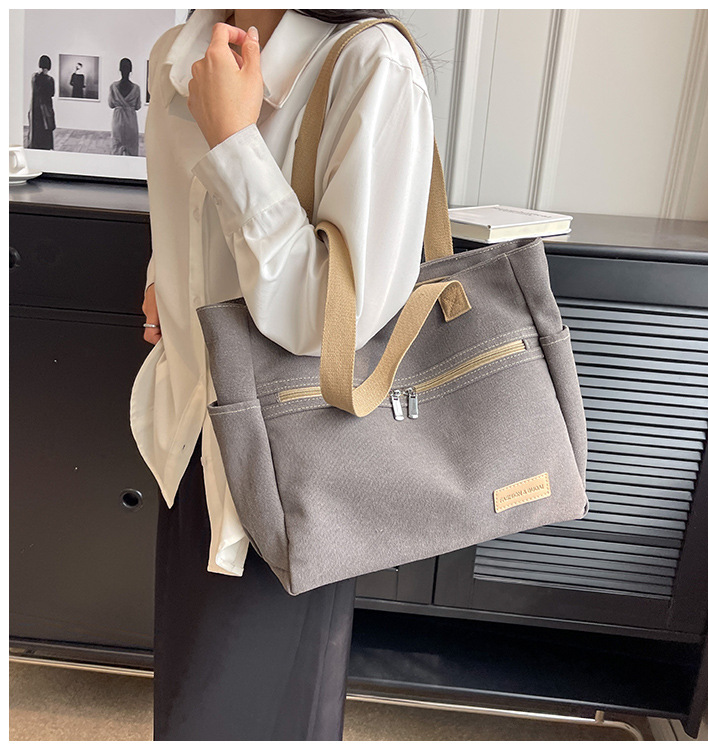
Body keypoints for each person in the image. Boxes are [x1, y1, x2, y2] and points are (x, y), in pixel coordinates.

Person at [130, 8, 435, 741]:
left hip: (291, 467)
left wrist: (235, 141)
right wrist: (164, 271)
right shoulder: (177, 50)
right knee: (190, 715)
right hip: (189, 437)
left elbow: (330, 326)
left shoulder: (370, 64)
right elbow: (188, 213)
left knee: (255, 718)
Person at [108, 58, 142, 155]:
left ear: (120, 69)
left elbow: (111, 104)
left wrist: (120, 104)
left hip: (117, 121)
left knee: (116, 149)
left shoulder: (113, 87)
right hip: (131, 122)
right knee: (132, 150)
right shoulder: (136, 88)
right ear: (131, 70)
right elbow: (138, 106)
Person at [28, 55, 55, 150]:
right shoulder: (50, 79)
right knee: (46, 128)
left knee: (36, 129)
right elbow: (52, 93)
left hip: (35, 108)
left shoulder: (34, 77)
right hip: (45, 107)